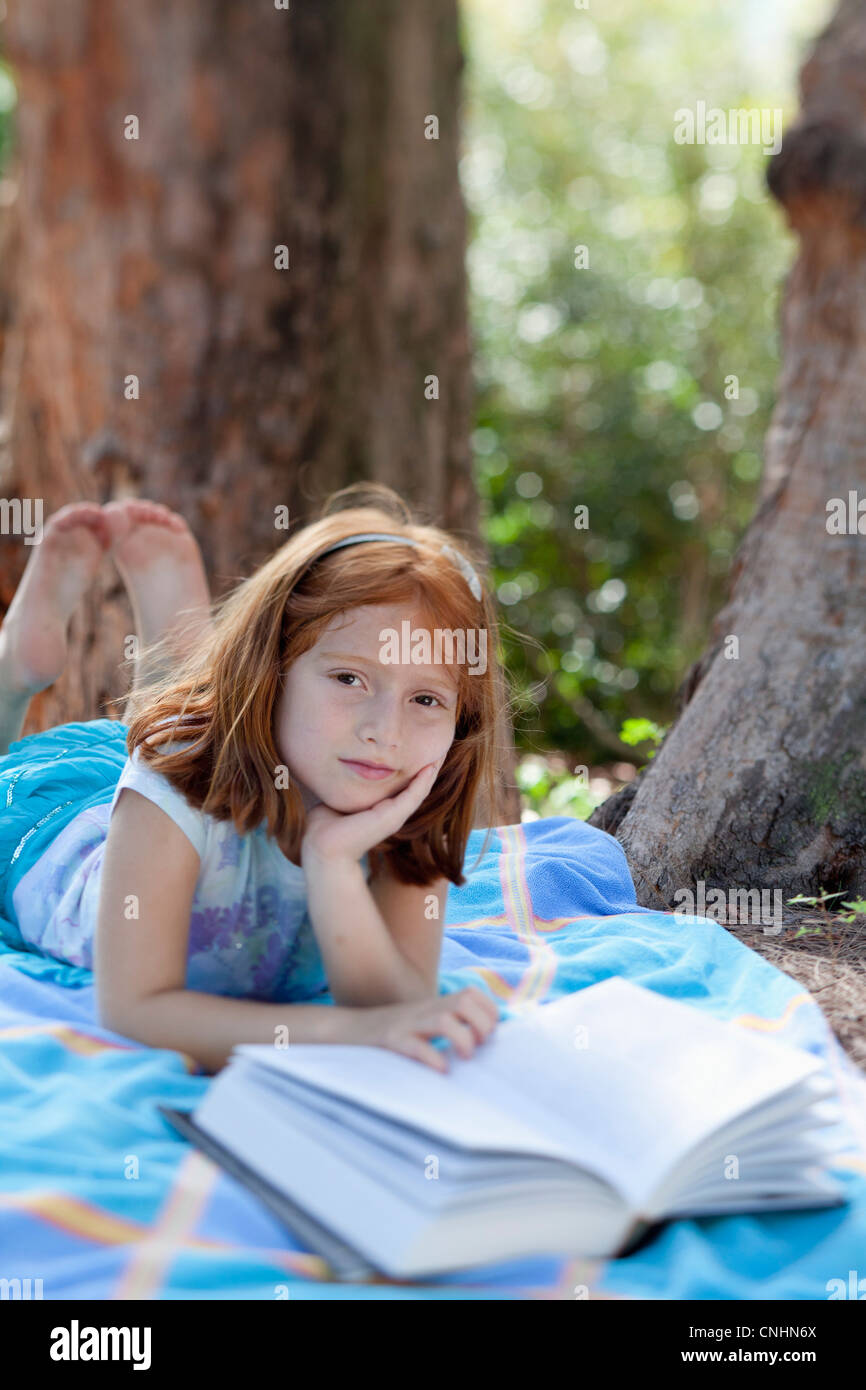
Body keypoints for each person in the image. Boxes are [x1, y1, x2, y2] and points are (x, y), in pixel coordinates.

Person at [0, 484, 506, 1075]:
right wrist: (346, 1033)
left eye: (425, 698)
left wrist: (333, 861)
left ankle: (178, 655)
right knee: (171, 748)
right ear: (274, 665)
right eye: (349, 679)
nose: (384, 732)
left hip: (214, 754)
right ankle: (18, 668)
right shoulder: (172, 789)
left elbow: (397, 1009)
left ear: (460, 719)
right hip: (50, 828)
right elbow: (136, 1007)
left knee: (184, 733)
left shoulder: (402, 799)